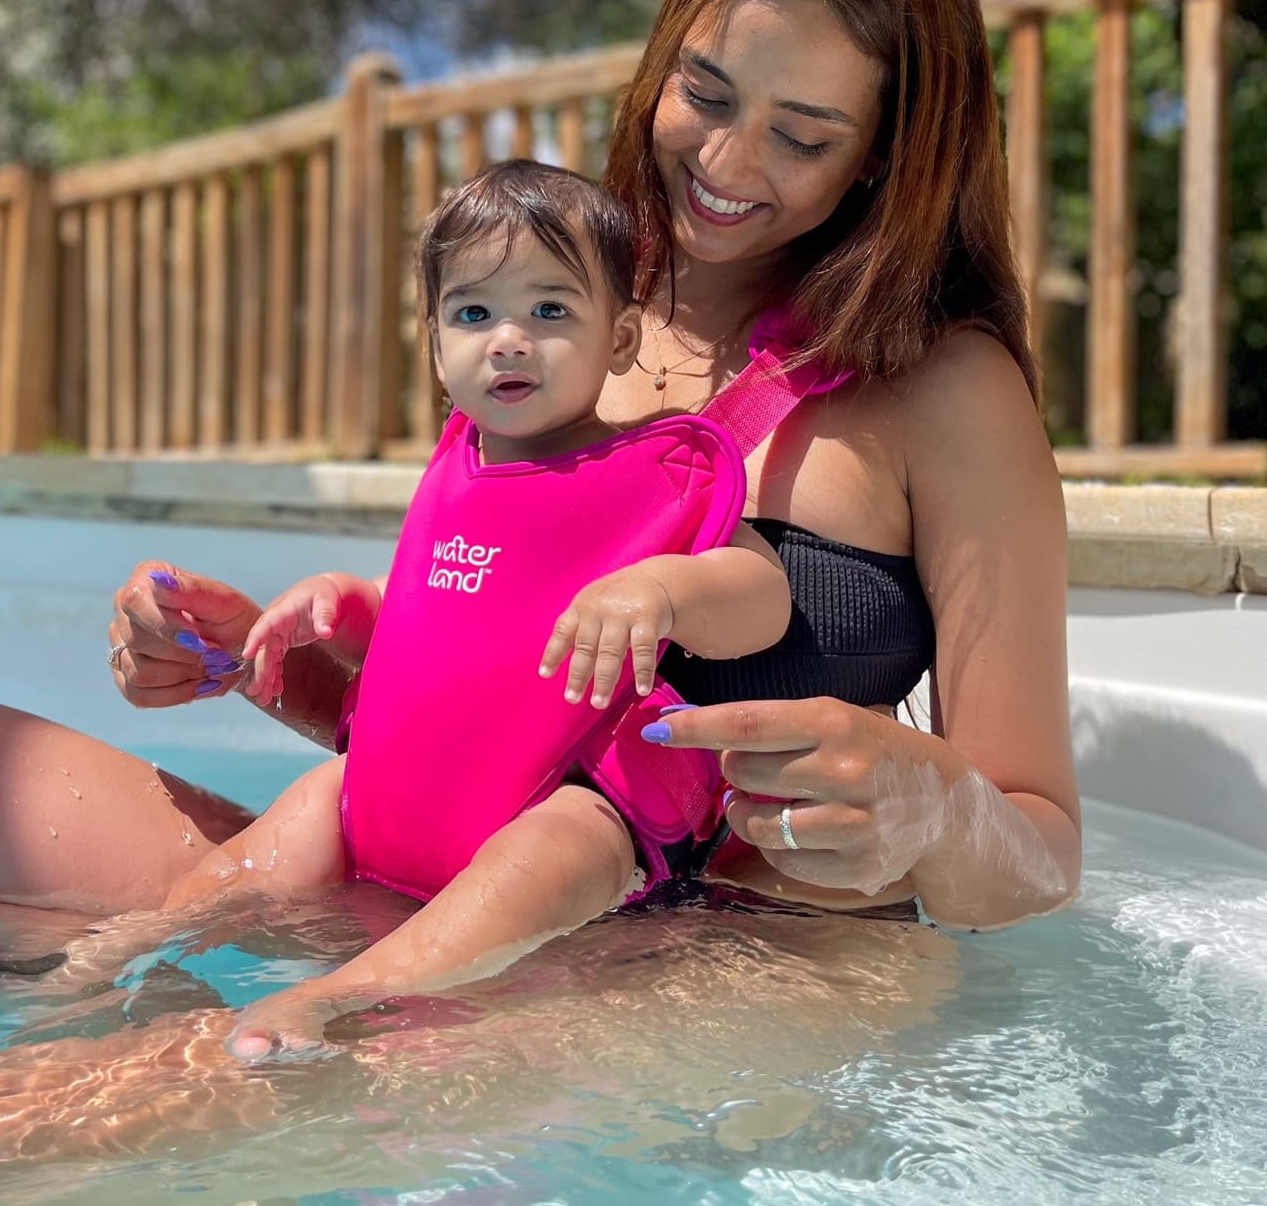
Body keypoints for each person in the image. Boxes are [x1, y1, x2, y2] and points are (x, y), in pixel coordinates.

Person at [0, 0, 1080, 1003]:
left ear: (885, 158)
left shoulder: (941, 391)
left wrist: (934, 807)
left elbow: (1039, 855)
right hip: (435, 887)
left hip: (700, 958)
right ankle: (146, 1046)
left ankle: (168, 1063)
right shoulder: (560, 314)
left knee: (105, 1108)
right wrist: (275, 663)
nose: (728, 160)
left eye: (801, 135)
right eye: (703, 92)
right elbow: (487, 711)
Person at [158, 159, 792, 1059]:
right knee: (307, 806)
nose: (508, 341)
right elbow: (436, 618)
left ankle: (343, 991)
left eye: (550, 311)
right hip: (401, 795)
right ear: (435, 343)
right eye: (473, 314)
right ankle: (141, 938)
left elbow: (764, 598)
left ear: (619, 340)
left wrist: (664, 591)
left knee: (568, 843)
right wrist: (343, 605)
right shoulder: (460, 467)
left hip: (560, 796)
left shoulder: (653, 478)